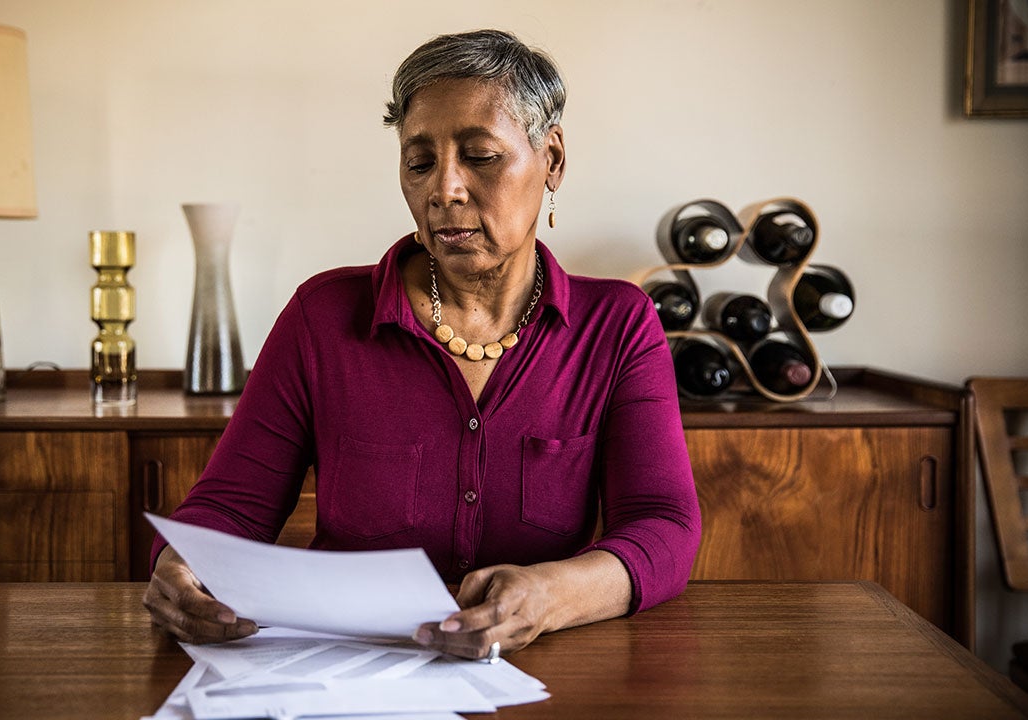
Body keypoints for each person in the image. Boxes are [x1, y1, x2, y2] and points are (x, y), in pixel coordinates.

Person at [143, 28, 700, 661]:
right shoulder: (322, 318)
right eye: (420, 161)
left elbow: (664, 525)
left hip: (542, 669)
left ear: (553, 160)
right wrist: (183, 563)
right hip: (338, 672)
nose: (445, 190)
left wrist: (548, 596)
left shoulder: (617, 326)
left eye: (480, 156)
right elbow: (230, 507)